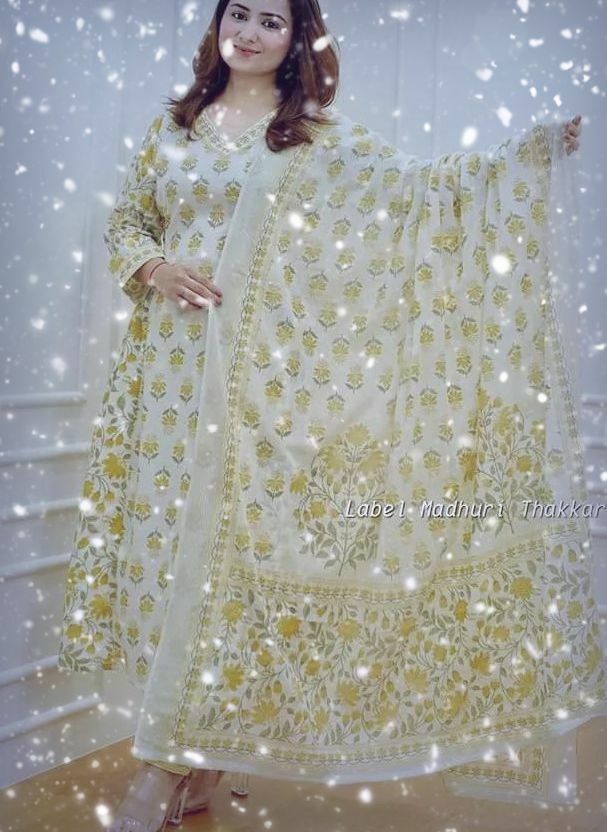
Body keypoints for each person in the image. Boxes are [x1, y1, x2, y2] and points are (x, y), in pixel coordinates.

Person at [56, 0, 601, 830]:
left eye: (271, 21)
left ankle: (164, 766)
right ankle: (198, 757)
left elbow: (419, 193)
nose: (249, 32)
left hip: (257, 391)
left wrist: (517, 159)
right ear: (217, 27)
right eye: (238, 14)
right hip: (163, 379)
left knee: (227, 570)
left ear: (295, 39)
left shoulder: (309, 135)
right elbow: (129, 220)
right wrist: (154, 267)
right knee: (169, 568)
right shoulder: (173, 127)